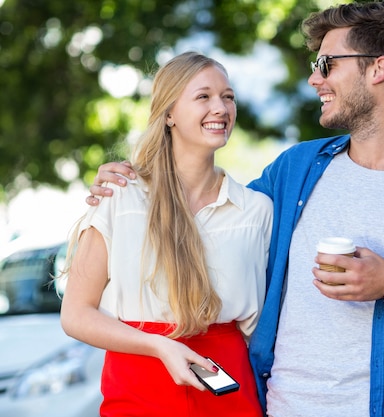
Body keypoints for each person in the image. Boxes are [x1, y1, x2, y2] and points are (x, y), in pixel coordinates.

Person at [86, 2, 384, 416]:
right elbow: (208, 213)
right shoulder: (295, 168)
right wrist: (138, 181)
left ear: (378, 69)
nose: (313, 78)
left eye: (327, 64)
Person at [61, 51, 273, 417]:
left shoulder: (256, 210)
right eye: (203, 96)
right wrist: (159, 346)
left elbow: (261, 328)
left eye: (228, 96)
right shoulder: (119, 196)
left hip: (227, 389)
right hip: (139, 386)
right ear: (170, 113)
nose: (220, 107)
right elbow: (76, 314)